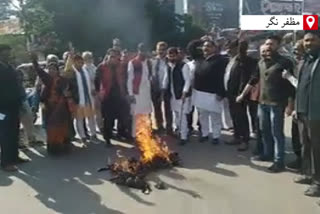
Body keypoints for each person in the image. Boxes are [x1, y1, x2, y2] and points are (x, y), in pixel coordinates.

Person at [237, 35, 295, 173]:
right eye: (267, 43)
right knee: (264, 131)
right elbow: (253, 80)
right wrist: (242, 95)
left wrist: (290, 105)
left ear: (278, 46)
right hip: (262, 103)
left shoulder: (284, 62)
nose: (268, 46)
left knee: (277, 133)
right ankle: (268, 154)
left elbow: (291, 86)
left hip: (277, 103)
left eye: (272, 44)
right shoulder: (261, 62)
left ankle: (279, 161)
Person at [294, 31, 320, 198]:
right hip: (303, 111)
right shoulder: (304, 61)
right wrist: (297, 108)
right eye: (306, 41)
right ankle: (308, 174)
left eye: (312, 40)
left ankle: (318, 183)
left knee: (317, 149)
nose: (308, 43)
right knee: (306, 145)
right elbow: (300, 87)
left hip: (316, 113)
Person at [31, 54, 73, 155]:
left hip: (62, 108)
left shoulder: (63, 80)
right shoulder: (47, 79)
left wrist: (68, 94)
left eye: (53, 69)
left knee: (63, 127)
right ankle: (54, 149)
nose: (51, 71)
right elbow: (39, 71)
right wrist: (34, 61)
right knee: (52, 128)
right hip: (50, 109)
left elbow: (70, 89)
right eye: (49, 69)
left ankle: (64, 145)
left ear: (57, 70)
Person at [193, 40, 228, 145]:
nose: (205, 48)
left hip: (214, 93)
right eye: (204, 46)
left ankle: (216, 136)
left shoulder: (220, 60)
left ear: (214, 48)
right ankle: (204, 134)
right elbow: (191, 47)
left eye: (208, 46)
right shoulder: (200, 59)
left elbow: (223, 78)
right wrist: (201, 40)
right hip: (200, 93)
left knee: (215, 117)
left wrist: (221, 93)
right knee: (202, 116)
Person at [225, 40, 258, 151]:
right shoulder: (231, 60)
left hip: (240, 95)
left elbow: (247, 78)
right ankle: (237, 136)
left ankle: (245, 140)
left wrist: (242, 94)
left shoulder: (244, 60)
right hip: (230, 93)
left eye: (230, 48)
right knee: (234, 116)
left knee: (242, 117)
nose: (228, 50)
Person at [0, 44, 29, 171]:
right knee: (5, 133)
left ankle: (14, 157)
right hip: (2, 108)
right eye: (5, 53)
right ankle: (6, 162)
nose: (8, 55)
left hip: (14, 105)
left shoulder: (10, 67)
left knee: (14, 132)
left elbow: (16, 86)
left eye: (8, 52)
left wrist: (20, 102)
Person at [96, 49, 127, 145]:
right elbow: (96, 81)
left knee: (122, 117)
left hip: (120, 95)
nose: (113, 58)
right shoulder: (101, 67)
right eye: (111, 56)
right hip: (107, 96)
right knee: (108, 119)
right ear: (108, 55)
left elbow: (125, 79)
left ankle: (120, 133)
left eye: (116, 56)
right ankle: (107, 138)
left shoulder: (121, 66)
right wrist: (98, 93)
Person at [65, 54, 98, 145]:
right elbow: (66, 76)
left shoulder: (84, 70)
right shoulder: (71, 73)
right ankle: (82, 137)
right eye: (78, 62)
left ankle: (93, 135)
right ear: (74, 62)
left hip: (88, 98)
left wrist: (93, 89)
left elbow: (90, 82)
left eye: (81, 62)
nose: (80, 64)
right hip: (78, 100)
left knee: (91, 118)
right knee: (79, 119)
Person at [162, 47, 192, 145]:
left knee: (182, 116)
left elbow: (187, 80)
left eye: (173, 55)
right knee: (176, 114)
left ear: (177, 55)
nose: (171, 57)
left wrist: (184, 92)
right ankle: (180, 131)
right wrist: (163, 90)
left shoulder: (184, 66)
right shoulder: (168, 66)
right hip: (172, 95)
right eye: (169, 55)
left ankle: (183, 136)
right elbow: (166, 79)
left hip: (181, 95)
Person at [283, 39, 304, 171]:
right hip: (296, 105)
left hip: (305, 107)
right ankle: (299, 160)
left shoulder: (309, 64)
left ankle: (305, 164)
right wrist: (290, 105)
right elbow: (292, 90)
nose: (295, 52)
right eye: (294, 50)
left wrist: (289, 77)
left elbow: (303, 88)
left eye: (298, 49)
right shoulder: (296, 65)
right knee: (295, 135)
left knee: (305, 138)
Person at [127, 43, 153, 138]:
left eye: (145, 51)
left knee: (146, 114)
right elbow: (130, 79)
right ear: (138, 51)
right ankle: (135, 136)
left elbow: (149, 76)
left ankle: (146, 134)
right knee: (136, 115)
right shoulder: (133, 62)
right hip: (136, 92)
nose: (143, 53)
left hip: (146, 92)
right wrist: (130, 94)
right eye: (142, 51)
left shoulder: (149, 62)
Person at [151, 41, 172, 134]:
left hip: (167, 89)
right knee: (157, 108)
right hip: (155, 88)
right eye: (159, 50)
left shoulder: (170, 61)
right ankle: (159, 126)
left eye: (163, 50)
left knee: (168, 108)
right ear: (156, 50)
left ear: (166, 51)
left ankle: (169, 127)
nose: (161, 51)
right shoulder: (152, 61)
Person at [186, 39, 204, 134]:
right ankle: (189, 127)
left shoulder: (205, 62)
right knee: (189, 110)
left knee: (201, 110)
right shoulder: (189, 64)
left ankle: (202, 128)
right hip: (190, 90)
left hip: (201, 90)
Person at [83, 51, 103, 133]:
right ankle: (91, 128)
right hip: (87, 92)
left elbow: (98, 79)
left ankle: (100, 126)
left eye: (90, 57)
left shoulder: (94, 68)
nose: (89, 60)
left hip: (96, 91)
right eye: (87, 58)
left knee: (98, 109)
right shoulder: (83, 69)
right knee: (89, 111)